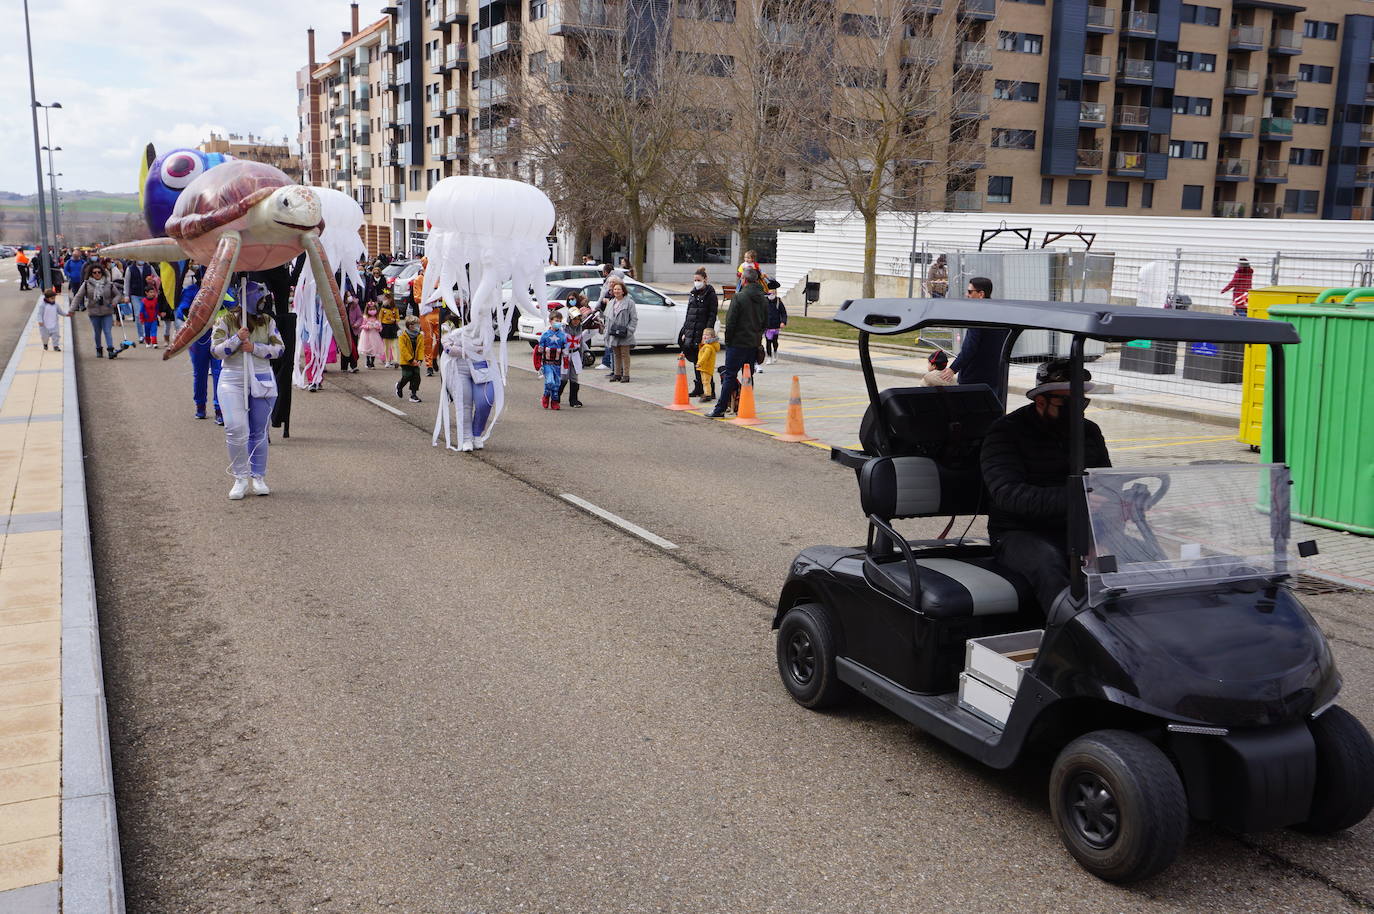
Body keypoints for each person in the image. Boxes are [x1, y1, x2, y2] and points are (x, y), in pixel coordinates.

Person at [980, 359, 1111, 615]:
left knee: (1131, 557)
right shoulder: (1005, 433)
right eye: (1067, 404)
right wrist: (1075, 499)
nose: (1077, 411)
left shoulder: (1089, 432)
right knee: (1048, 563)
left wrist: (1105, 534)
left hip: (1077, 528)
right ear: (1041, 401)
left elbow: (1102, 483)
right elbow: (1009, 496)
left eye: (1081, 403)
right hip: (1018, 531)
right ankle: (1072, 640)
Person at [210, 283, 284, 500]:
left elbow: (280, 349)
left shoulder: (268, 321)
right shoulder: (225, 320)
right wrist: (236, 340)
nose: (264, 301)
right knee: (235, 427)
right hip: (232, 378)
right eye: (259, 296)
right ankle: (240, 478)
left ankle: (258, 476)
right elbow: (216, 351)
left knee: (259, 431)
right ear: (247, 297)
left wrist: (256, 348)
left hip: (261, 379)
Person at [708, 266, 767, 419]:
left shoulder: (739, 297)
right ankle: (746, 406)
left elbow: (731, 322)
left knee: (729, 375)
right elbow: (766, 322)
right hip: (753, 343)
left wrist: (729, 341)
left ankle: (720, 409)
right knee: (748, 376)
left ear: (744, 280)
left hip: (737, 343)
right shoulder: (763, 298)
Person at [937, 277, 1008, 397]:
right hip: (995, 377)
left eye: (970, 292)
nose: (967, 294)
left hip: (974, 378)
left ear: (981, 294)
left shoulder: (978, 315)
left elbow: (970, 348)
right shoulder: (1000, 313)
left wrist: (953, 369)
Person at [181, 270, 224, 423]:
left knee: (220, 372)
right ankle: (200, 406)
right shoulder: (191, 291)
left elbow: (234, 306)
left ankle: (220, 409)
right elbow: (183, 310)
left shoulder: (224, 290)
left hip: (219, 337)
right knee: (200, 373)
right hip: (198, 339)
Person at [679, 267, 717, 397]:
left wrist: (707, 334)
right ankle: (699, 387)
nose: (696, 282)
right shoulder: (693, 293)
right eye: (695, 280)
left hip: (703, 333)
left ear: (705, 280)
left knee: (704, 363)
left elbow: (712, 314)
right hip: (692, 331)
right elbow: (689, 314)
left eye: (698, 280)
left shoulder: (710, 294)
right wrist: (685, 331)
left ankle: (710, 389)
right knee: (696, 361)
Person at [72, 262, 123, 359]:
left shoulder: (109, 284)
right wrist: (72, 309)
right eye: (94, 272)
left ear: (102, 273)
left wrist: (114, 301)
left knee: (107, 331)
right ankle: (99, 349)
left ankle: (110, 350)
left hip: (107, 310)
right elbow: (78, 296)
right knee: (97, 332)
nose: (97, 274)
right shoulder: (87, 284)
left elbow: (118, 295)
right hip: (94, 312)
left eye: (99, 272)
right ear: (91, 274)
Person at [604, 278, 637, 382]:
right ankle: (617, 374)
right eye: (615, 289)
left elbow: (634, 318)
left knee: (624, 355)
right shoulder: (611, 303)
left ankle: (626, 375)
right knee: (616, 354)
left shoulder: (629, 302)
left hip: (624, 333)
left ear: (623, 291)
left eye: (618, 289)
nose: (616, 291)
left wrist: (629, 330)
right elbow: (607, 318)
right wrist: (606, 331)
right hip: (613, 332)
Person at [538, 309, 569, 409]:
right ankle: (546, 396)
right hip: (547, 363)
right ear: (550, 321)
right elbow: (539, 350)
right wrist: (538, 363)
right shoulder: (545, 335)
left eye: (560, 321)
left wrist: (566, 362)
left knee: (557, 383)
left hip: (557, 363)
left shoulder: (563, 335)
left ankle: (555, 401)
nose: (558, 323)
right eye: (556, 320)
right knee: (549, 381)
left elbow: (565, 350)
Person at [559, 305, 586, 408]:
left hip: (575, 354)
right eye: (574, 319)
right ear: (570, 318)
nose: (576, 321)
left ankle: (574, 399)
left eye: (578, 319)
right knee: (564, 377)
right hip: (565, 355)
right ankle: (556, 397)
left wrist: (582, 357)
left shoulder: (580, 329)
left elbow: (581, 343)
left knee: (574, 377)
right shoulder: (563, 328)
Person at [395, 315, 425, 402]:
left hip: (416, 361)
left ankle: (413, 395)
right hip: (406, 361)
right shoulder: (403, 336)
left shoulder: (420, 336)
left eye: (417, 324)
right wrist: (411, 360)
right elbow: (403, 349)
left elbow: (421, 348)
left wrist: (419, 360)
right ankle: (399, 386)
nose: (416, 326)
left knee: (416, 377)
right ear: (409, 325)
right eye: (413, 324)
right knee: (407, 375)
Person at [764, 279, 788, 365]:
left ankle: (775, 351)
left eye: (773, 293)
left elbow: (783, 313)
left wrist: (783, 322)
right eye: (770, 293)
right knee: (768, 341)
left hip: (776, 325)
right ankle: (769, 357)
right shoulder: (765, 301)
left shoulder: (778, 301)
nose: (772, 295)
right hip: (767, 326)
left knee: (775, 341)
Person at [695, 326, 720, 403]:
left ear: (712, 337)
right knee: (705, 381)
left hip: (706, 367)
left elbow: (704, 357)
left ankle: (707, 395)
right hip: (705, 367)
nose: (704, 336)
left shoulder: (708, 347)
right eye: (704, 335)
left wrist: (699, 363)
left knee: (706, 382)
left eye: (707, 335)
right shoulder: (706, 345)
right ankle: (707, 393)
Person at [357, 302, 385, 369]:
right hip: (366, 335)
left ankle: (372, 362)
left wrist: (377, 327)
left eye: (374, 309)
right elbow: (361, 325)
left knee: (374, 348)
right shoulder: (365, 317)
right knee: (367, 348)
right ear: (367, 310)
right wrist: (367, 327)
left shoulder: (377, 318)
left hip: (374, 335)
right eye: (370, 309)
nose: (372, 311)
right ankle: (367, 361)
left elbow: (380, 327)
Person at [378, 293, 400, 366]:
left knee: (394, 345)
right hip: (385, 327)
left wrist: (394, 319)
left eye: (385, 299)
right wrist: (380, 326)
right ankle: (387, 361)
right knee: (386, 346)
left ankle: (396, 360)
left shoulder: (395, 308)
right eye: (384, 299)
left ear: (390, 299)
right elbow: (380, 318)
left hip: (393, 327)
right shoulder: (382, 309)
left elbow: (398, 319)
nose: (384, 301)